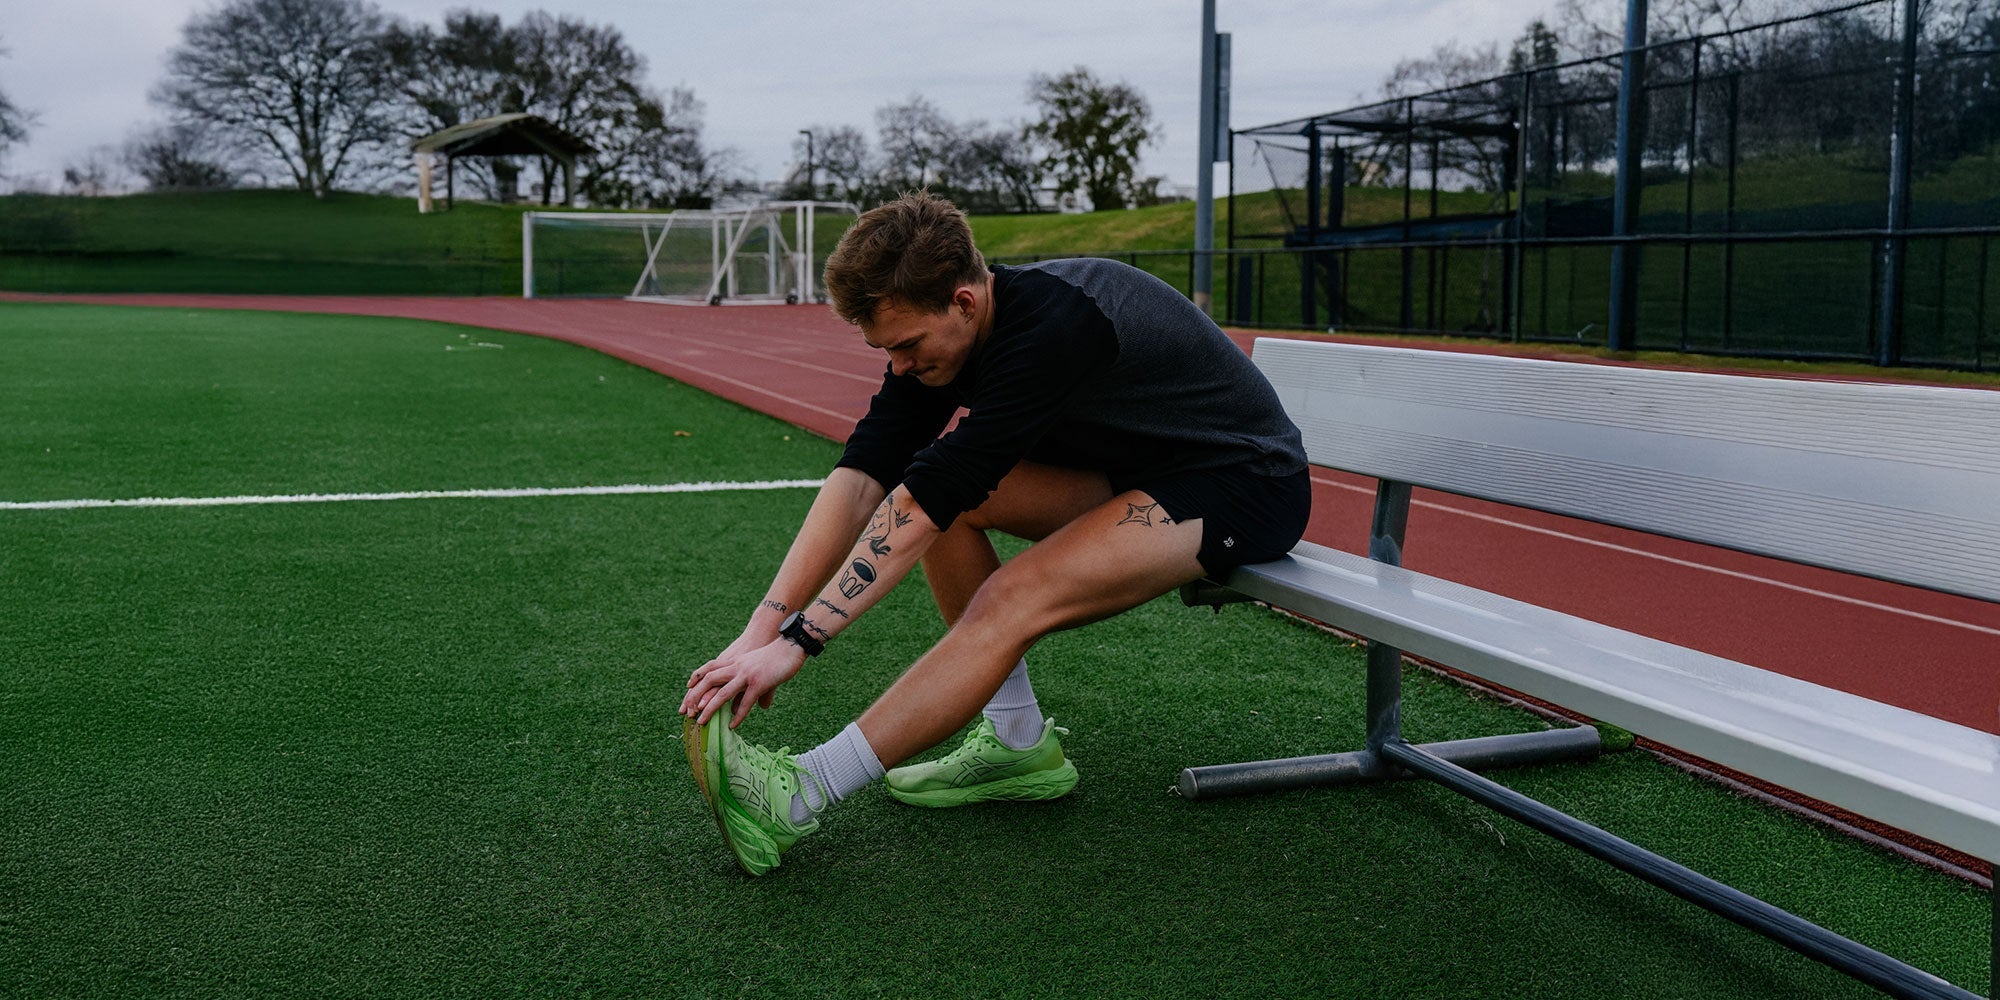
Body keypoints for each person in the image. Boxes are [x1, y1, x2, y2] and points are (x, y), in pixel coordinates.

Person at [678, 191, 1309, 875]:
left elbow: (926, 503)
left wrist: (802, 641)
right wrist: (762, 629)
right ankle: (1016, 742)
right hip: (1137, 468)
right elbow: (863, 476)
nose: (898, 366)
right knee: (935, 494)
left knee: (1011, 595)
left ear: (965, 303)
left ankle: (802, 791)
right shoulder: (945, 335)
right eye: (885, 349)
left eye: (907, 345)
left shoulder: (1055, 330)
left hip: (1242, 481)